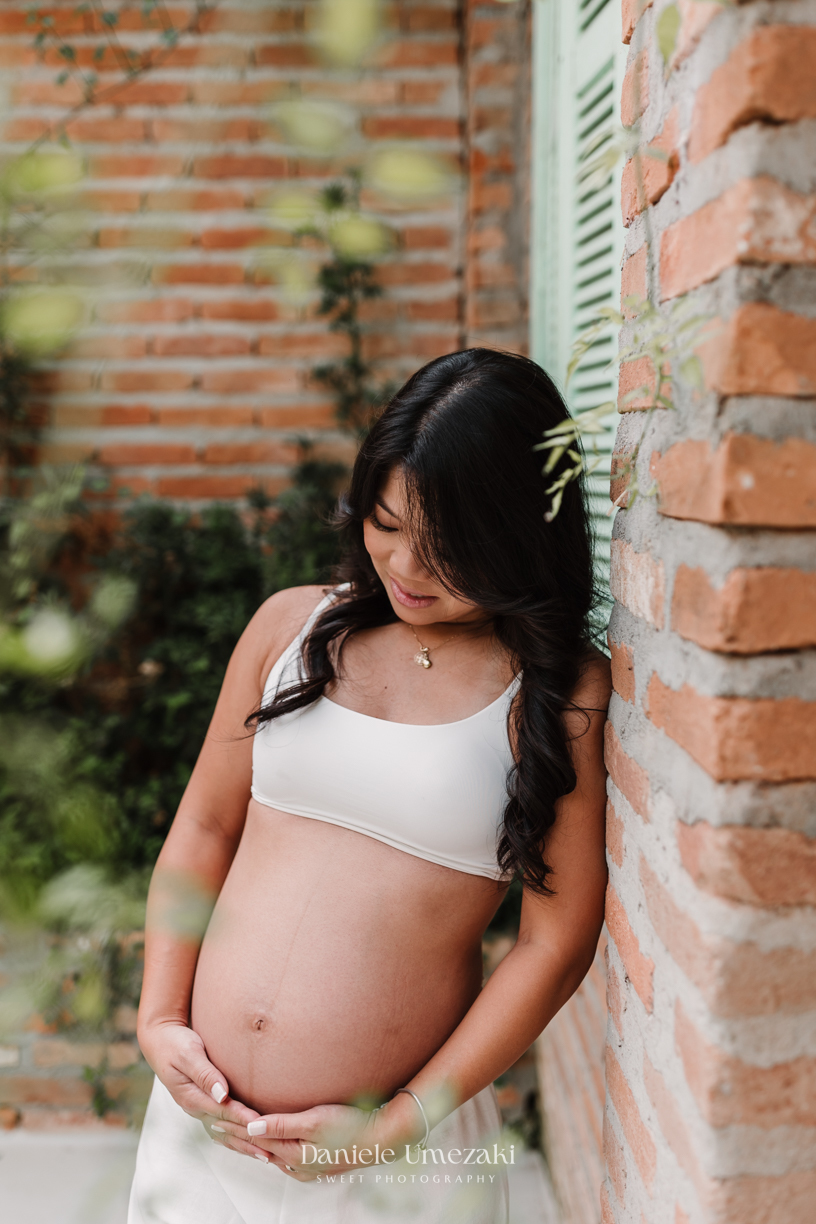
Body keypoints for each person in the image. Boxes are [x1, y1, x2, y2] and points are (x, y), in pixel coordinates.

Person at [128, 348, 610, 1224]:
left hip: (397, 1163)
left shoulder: (557, 692)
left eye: (447, 548)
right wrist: (159, 1017)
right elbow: (203, 829)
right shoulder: (291, 626)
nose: (406, 568)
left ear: (520, 532)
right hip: (202, 1131)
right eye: (385, 524)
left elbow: (557, 940)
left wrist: (394, 1126)